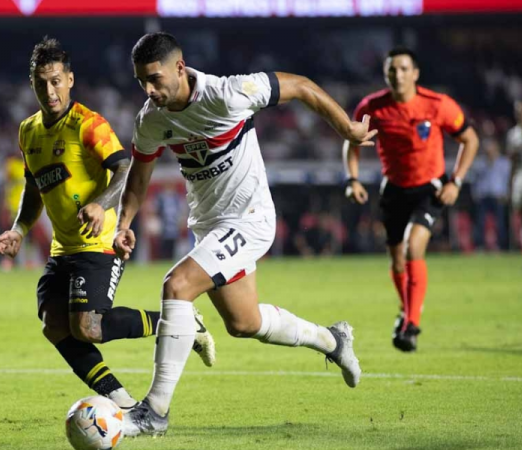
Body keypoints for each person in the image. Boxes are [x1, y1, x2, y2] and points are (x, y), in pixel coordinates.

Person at [115, 32, 371, 437]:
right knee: (244, 323)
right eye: (141, 81)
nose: (149, 89)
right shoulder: (151, 119)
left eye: (155, 78)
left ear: (180, 68)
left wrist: (348, 130)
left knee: (177, 286)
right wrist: (123, 222)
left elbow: (302, 86)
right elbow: (140, 174)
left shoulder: (230, 93)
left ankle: (155, 412)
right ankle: (333, 340)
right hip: (209, 227)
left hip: (249, 220)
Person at [0, 37, 215, 412]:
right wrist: (19, 229)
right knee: (54, 324)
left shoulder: (89, 124)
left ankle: (181, 322)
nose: (50, 90)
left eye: (57, 81)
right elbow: (34, 187)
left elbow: (124, 168)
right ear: (32, 84)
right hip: (63, 248)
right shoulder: (28, 131)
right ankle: (122, 402)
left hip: (100, 241)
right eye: (42, 83)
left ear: (70, 80)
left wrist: (100, 204)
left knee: (88, 327)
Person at [343, 47, 479, 352]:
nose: (398, 74)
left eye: (404, 69)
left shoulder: (438, 105)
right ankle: (407, 312)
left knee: (413, 245)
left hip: (429, 189)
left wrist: (455, 181)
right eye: (392, 69)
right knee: (397, 260)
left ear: (415, 73)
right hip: (393, 190)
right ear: (385, 74)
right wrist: (351, 179)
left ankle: (411, 323)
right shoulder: (373, 107)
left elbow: (470, 139)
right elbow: (351, 142)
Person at [471, 138, 510, 251]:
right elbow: (475, 180)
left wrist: (506, 194)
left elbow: (507, 180)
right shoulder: (480, 163)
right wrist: (475, 194)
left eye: (491, 147)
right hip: (483, 196)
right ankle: (479, 246)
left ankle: (501, 245)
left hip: (498, 196)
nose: (488, 150)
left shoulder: (504, 162)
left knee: (500, 223)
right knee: (480, 222)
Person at [508, 99, 522, 268]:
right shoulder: (513, 134)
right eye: (518, 112)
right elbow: (512, 162)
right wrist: (510, 183)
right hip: (520, 180)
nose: (520, 114)